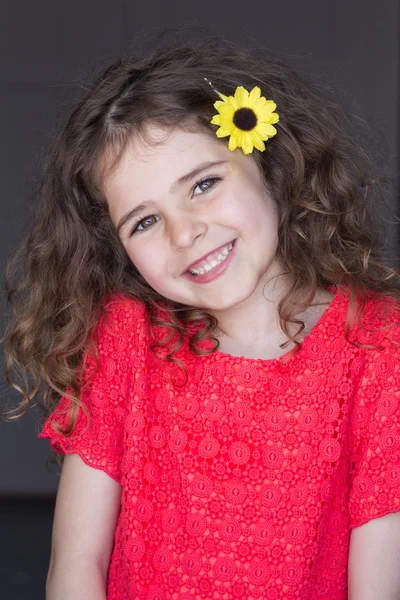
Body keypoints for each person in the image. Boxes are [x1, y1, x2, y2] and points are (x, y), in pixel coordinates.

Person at [3, 30, 400, 600]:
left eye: (204, 184)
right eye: (144, 221)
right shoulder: (126, 339)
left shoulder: (377, 348)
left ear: (269, 164)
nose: (184, 232)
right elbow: (75, 566)